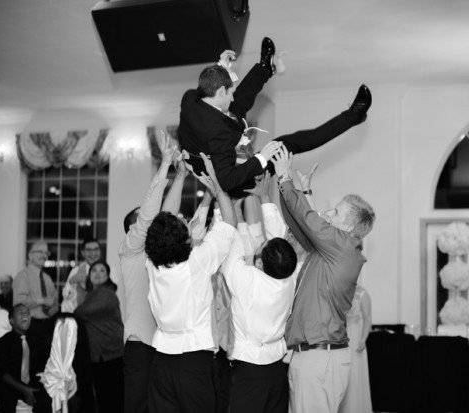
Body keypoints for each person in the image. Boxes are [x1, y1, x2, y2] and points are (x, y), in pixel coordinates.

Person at [178, 39, 372, 197]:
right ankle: (354, 116)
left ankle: (266, 67)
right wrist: (262, 157)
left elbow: (212, 86)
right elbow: (227, 181)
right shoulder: (219, 134)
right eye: (228, 92)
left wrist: (221, 67)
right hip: (239, 180)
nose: (231, 95)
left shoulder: (191, 98)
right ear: (220, 91)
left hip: (209, 142)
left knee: (238, 103)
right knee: (289, 143)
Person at [272, 148, 375, 413]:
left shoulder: (341, 247)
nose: (329, 212)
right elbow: (302, 225)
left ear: (349, 228)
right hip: (317, 357)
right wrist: (302, 193)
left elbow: (310, 221)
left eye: (337, 212)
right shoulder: (334, 249)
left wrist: (285, 178)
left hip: (319, 358)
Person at [145, 153, 237, 413]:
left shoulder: (153, 263)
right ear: (183, 240)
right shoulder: (196, 263)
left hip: (161, 360)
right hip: (193, 361)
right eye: (184, 222)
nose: (185, 219)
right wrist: (218, 186)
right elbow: (229, 224)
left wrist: (182, 175)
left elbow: (162, 219)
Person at [119, 134, 178, 413]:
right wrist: (165, 164)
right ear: (132, 228)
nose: (149, 220)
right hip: (141, 346)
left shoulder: (158, 250)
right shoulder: (130, 250)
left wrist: (182, 176)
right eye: (142, 218)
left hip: (165, 344)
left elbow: (164, 216)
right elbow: (151, 216)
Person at [222, 229, 298, 413]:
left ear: (260, 263)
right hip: (277, 368)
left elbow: (233, 250)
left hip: (249, 369)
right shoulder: (289, 281)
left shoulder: (247, 279)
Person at [75, 260, 124, 413]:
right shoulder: (92, 295)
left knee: (110, 398)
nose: (97, 273)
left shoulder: (106, 294)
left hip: (109, 355)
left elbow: (80, 312)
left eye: (102, 270)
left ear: (108, 276)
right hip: (99, 355)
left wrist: (79, 290)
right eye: (93, 270)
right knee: (103, 398)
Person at [0, 303, 52, 413]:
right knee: (7, 404)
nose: (25, 314)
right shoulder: (3, 342)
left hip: (31, 382)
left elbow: (46, 362)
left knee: (46, 401)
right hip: (9, 383)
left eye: (27, 313)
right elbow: (2, 373)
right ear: (12, 321)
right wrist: (24, 389)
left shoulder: (38, 340)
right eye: (20, 312)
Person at [13, 241, 59, 350]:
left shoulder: (47, 278)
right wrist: (42, 301)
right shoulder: (22, 276)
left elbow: (54, 301)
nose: (44, 255)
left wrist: (53, 307)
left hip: (47, 326)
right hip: (30, 327)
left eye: (46, 252)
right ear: (30, 255)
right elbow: (19, 303)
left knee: (44, 364)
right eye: (40, 251)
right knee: (32, 365)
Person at [338, 285, 373, 413]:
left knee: (354, 374)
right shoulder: (338, 290)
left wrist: (363, 338)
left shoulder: (362, 293)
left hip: (355, 336)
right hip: (339, 335)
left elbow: (368, 318)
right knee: (341, 374)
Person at [61, 238, 101, 313]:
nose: (93, 253)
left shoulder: (109, 272)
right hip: (79, 316)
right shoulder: (75, 271)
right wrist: (71, 282)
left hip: (100, 318)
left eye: (96, 249)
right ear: (83, 252)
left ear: (99, 251)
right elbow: (66, 296)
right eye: (89, 250)